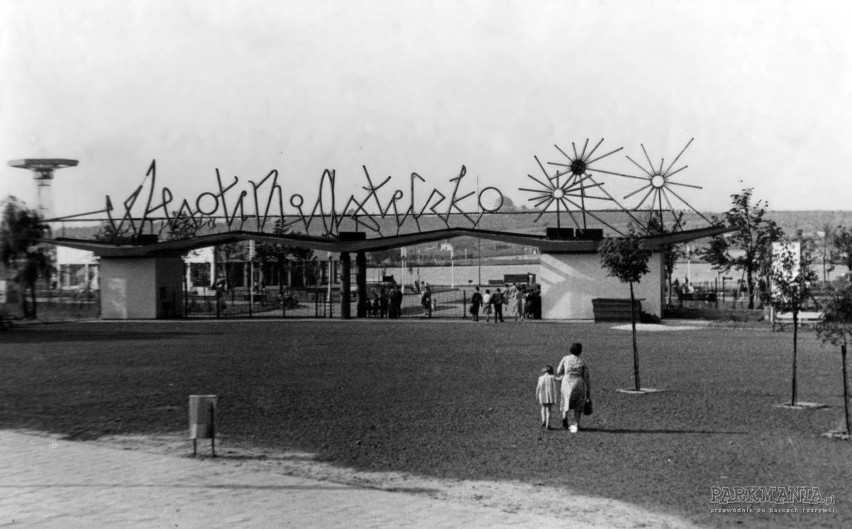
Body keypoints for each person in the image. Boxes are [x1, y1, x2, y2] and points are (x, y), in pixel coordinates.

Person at [556, 343, 591, 433]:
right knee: (578, 405)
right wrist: (588, 389)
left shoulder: (565, 358)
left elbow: (558, 371)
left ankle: (564, 418)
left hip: (566, 382)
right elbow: (586, 376)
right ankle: (576, 424)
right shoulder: (582, 361)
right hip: (578, 383)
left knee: (565, 401)